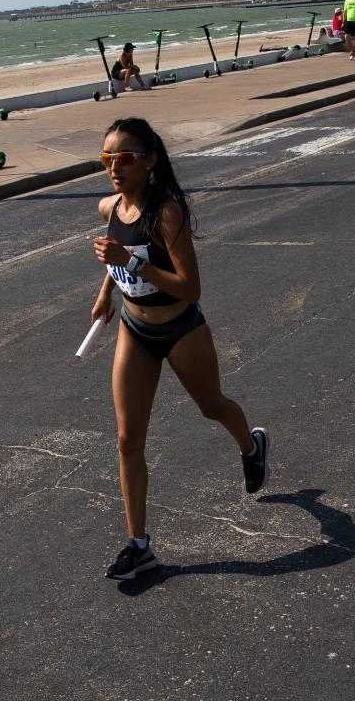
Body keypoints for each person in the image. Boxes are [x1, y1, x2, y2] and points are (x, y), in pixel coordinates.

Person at [91, 117, 270, 580]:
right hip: (135, 330)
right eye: (107, 158)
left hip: (181, 328)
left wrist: (128, 262)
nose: (114, 167)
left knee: (211, 406)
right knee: (128, 439)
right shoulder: (109, 205)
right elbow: (117, 253)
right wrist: (105, 293)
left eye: (124, 158)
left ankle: (250, 446)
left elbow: (190, 288)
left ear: (149, 160)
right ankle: (139, 545)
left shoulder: (166, 212)